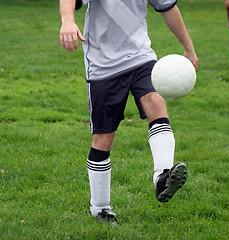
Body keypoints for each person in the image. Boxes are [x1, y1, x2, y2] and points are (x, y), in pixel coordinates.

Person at [59, 0, 199, 224]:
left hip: (141, 57)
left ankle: (163, 175)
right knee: (104, 138)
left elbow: (168, 8)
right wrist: (67, 20)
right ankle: (101, 209)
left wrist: (189, 48)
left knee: (155, 100)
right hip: (102, 65)